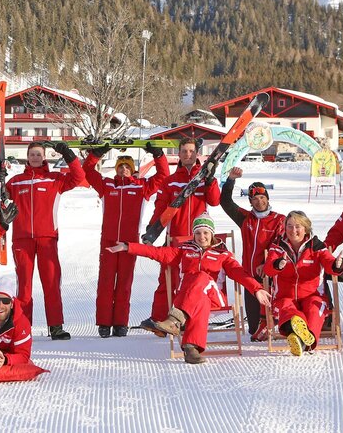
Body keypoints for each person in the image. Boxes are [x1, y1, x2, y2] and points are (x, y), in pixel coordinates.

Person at [110, 214, 271, 364]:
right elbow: (156, 252)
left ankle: (175, 320)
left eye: (206, 232)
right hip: (193, 300)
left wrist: (256, 289)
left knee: (201, 277)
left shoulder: (223, 255)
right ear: (193, 235)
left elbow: (240, 274)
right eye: (198, 233)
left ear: (212, 233)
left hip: (213, 296)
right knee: (198, 297)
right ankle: (191, 348)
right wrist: (127, 247)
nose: (202, 237)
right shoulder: (184, 251)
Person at [82, 141, 170, 338]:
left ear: (132, 170)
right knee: (105, 283)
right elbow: (87, 170)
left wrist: (158, 155)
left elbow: (164, 176)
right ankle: (104, 323)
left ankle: (121, 323)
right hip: (109, 242)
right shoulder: (106, 185)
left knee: (124, 283)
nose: (124, 170)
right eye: (120, 166)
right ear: (116, 169)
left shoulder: (142, 187)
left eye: (127, 167)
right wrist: (97, 154)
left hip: (130, 243)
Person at [140, 137, 222, 337]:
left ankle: (187, 320)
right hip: (175, 237)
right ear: (179, 154)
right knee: (167, 278)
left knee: (193, 281)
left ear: (197, 154)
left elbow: (214, 201)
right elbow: (160, 207)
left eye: (191, 151)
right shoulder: (170, 181)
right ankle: (159, 320)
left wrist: (210, 181)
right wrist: (152, 229)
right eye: (184, 151)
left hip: (198, 239)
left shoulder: (204, 177)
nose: (188, 155)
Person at [5, 141, 83, 340]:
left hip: (47, 238)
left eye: (38, 154)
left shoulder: (55, 179)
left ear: (44, 157)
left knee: (51, 282)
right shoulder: (15, 182)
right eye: (32, 154)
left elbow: (79, 177)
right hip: (22, 240)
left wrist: (68, 154)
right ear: (27, 156)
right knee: (24, 286)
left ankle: (55, 326)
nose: (35, 158)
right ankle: (23, 327)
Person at [264, 211, 343, 356]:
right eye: (289, 226)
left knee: (315, 307)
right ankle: (303, 339)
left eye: (297, 226)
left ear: (305, 228)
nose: (293, 230)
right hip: (284, 296)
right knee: (286, 308)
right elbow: (268, 270)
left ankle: (303, 340)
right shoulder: (277, 246)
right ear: (284, 227)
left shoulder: (316, 246)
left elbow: (329, 263)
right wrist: (277, 264)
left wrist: (337, 265)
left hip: (313, 295)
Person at [220, 166, 285, 341]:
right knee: (253, 328)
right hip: (250, 276)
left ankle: (279, 326)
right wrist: (231, 181)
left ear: (267, 198)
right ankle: (259, 328)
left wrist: (268, 265)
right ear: (250, 201)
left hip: (270, 273)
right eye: (255, 198)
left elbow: (279, 246)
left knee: (273, 311)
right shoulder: (246, 218)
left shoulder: (279, 220)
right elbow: (225, 202)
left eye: (262, 197)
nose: (259, 202)